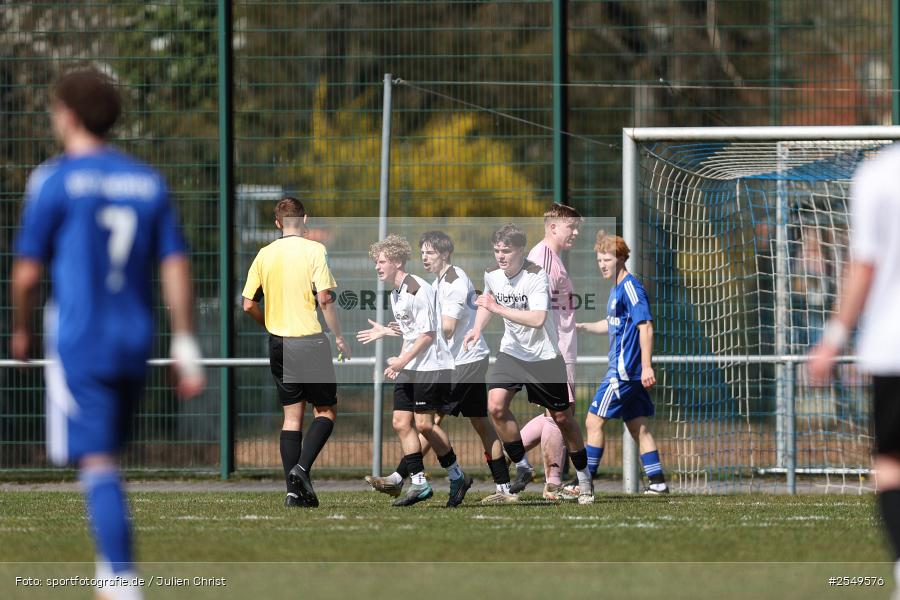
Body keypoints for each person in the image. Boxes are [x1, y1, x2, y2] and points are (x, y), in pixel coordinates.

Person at [10, 68, 205, 600]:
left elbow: (27, 273)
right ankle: (108, 578)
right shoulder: (147, 181)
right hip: (135, 340)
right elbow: (175, 263)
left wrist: (20, 329)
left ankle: (120, 580)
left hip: (81, 339)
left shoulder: (54, 179)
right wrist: (184, 341)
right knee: (108, 458)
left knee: (97, 465)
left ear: (68, 115)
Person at [809, 144, 900, 591]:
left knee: (889, 465)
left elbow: (863, 267)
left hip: (891, 347)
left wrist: (833, 339)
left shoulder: (878, 174)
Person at [364, 231, 512, 503]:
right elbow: (422, 328)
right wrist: (395, 333)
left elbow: (444, 328)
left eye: (430, 252)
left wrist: (404, 348)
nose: (424, 257)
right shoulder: (430, 284)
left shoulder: (452, 281)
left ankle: (407, 477)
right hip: (448, 360)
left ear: (444, 253)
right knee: (473, 422)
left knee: (429, 422)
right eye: (422, 252)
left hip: (461, 361)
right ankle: (501, 485)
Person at [462, 224, 595, 504]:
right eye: (497, 250)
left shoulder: (536, 275)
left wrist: (497, 308)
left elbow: (536, 319)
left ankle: (584, 479)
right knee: (496, 406)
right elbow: (488, 302)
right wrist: (477, 329)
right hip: (512, 352)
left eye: (506, 251)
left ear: (521, 250)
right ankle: (522, 466)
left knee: (562, 419)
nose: (501, 256)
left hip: (544, 358)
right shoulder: (492, 273)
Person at [242, 196, 349, 509]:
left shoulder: (265, 254)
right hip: (309, 340)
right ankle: (301, 470)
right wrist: (340, 336)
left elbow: (248, 303)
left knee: (291, 417)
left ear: (277, 224)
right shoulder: (314, 250)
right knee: (326, 411)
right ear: (305, 220)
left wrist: (270, 325)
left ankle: (293, 492)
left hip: (279, 342)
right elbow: (326, 298)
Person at [358, 234, 472, 507]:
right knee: (400, 422)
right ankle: (419, 484)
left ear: (397, 261)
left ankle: (457, 476)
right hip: (412, 364)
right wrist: (391, 336)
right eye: (376, 261)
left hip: (432, 365)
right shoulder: (397, 292)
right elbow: (412, 331)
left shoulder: (415, 288)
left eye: (382, 261)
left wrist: (401, 360)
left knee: (424, 424)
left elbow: (429, 335)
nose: (377, 266)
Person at [575, 231, 669, 494]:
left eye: (606, 259)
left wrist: (647, 366)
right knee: (638, 426)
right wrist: (584, 327)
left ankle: (585, 482)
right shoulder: (617, 289)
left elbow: (645, 326)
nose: (602, 264)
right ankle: (658, 483)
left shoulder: (630, 287)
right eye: (599, 260)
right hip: (629, 372)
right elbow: (614, 324)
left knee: (593, 421)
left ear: (621, 258)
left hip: (624, 372)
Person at [520, 204, 582, 501]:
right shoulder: (542, 257)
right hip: (554, 350)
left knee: (557, 413)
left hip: (560, 347)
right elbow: (533, 308)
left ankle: (506, 455)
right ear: (554, 226)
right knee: (559, 413)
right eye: (572, 226)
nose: (576, 232)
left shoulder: (552, 257)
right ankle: (553, 483)